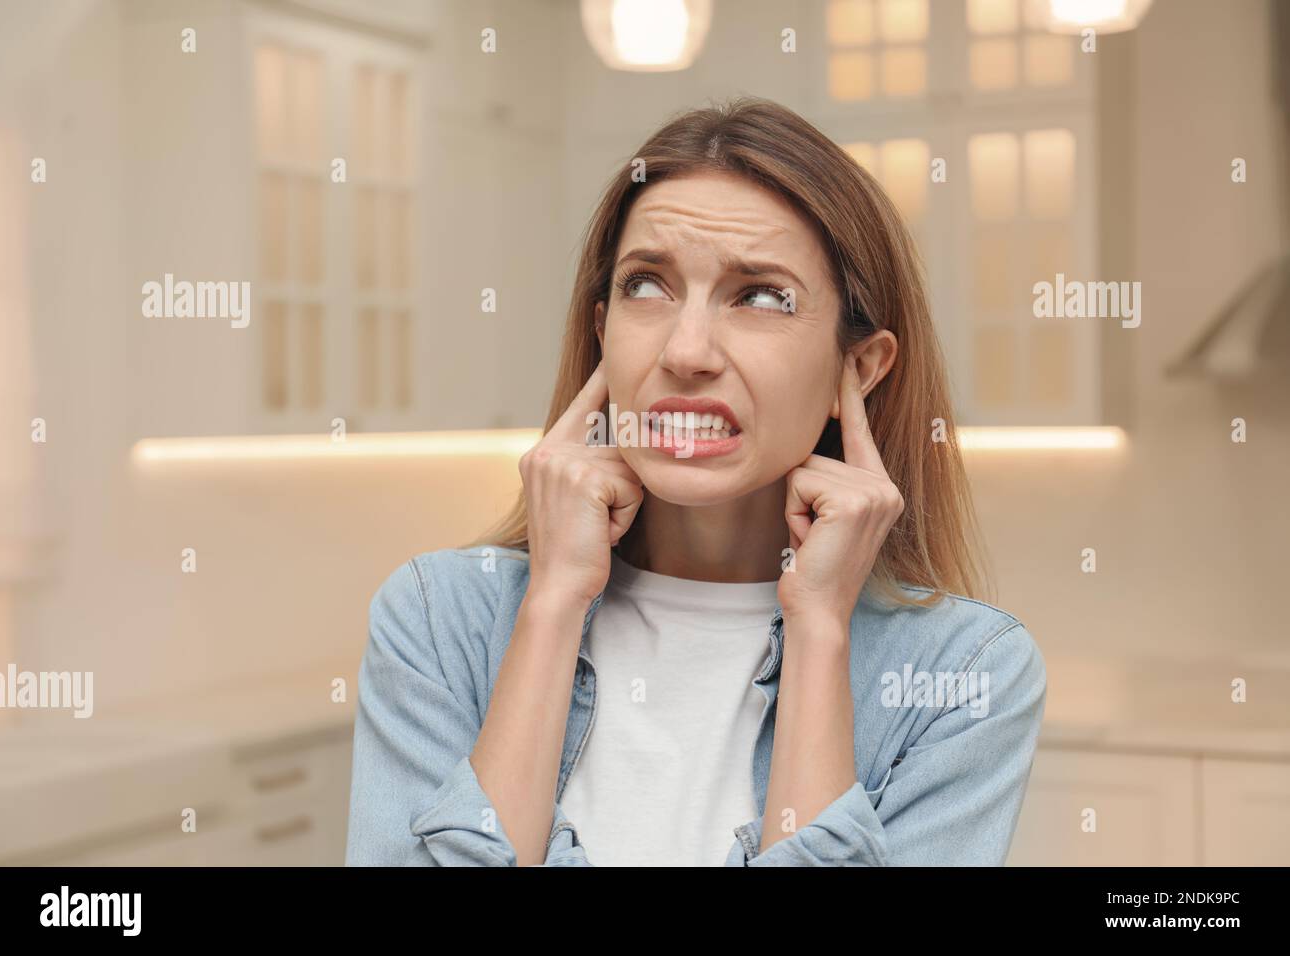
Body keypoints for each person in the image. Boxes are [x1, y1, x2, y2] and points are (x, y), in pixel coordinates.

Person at [345, 96, 1046, 867]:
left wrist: (818, 629)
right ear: (601, 329)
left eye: (760, 296)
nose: (686, 351)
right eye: (648, 286)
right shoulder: (441, 622)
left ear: (860, 365)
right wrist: (552, 605)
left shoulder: (964, 675)